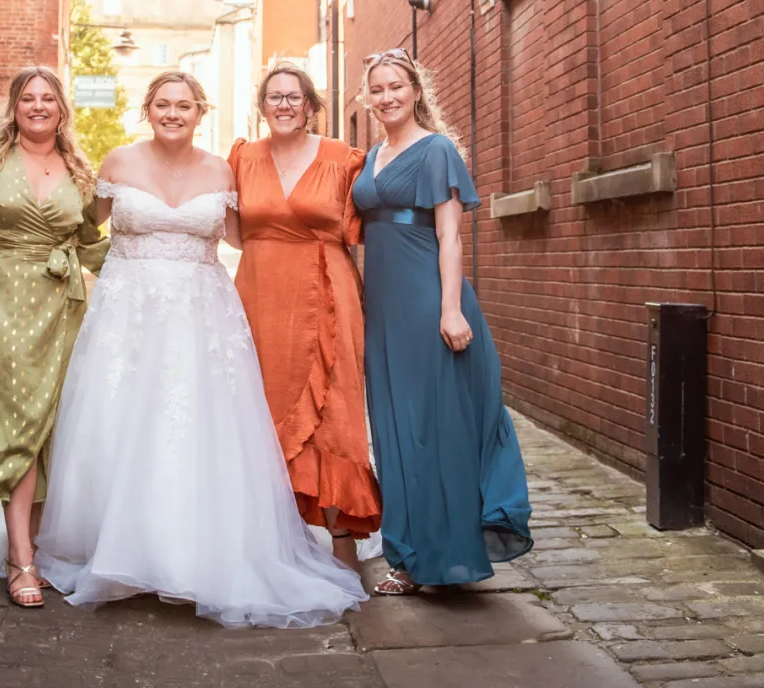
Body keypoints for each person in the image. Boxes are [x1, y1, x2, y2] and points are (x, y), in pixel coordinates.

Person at [35, 71, 367, 628]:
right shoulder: (116, 163)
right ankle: (117, 547)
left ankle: (193, 550)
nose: (173, 113)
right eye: (163, 104)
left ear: (199, 111)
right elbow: (78, 226)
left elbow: (248, 234)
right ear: (147, 109)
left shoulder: (222, 169)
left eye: (184, 105)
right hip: (128, 316)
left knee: (194, 426)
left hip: (200, 317)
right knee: (120, 422)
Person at [351, 49, 533, 594]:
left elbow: (449, 235)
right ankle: (406, 555)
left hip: (429, 303)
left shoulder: (437, 150)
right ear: (367, 98)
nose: (387, 96)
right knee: (394, 428)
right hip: (384, 309)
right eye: (377, 89)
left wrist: (450, 309)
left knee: (433, 428)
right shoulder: (371, 156)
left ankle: (444, 554)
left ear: (416, 91)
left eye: (396, 86)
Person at [228, 62, 381, 567]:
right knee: (263, 410)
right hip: (261, 299)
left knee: (334, 416)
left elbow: (373, 226)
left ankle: (342, 545)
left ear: (312, 106)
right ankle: (277, 543)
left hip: (328, 294)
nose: (284, 105)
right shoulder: (242, 159)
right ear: (262, 106)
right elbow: (228, 228)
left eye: (294, 97)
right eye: (274, 96)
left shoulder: (343, 158)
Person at [0, 66, 109, 609]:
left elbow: (90, 240)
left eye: (47, 98)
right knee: (17, 418)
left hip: (63, 302)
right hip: (2, 294)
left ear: (61, 109)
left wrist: (151, 257)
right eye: (27, 97)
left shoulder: (80, 170)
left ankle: (33, 549)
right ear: (14, 106)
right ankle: (19, 558)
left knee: (55, 423)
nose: (37, 106)